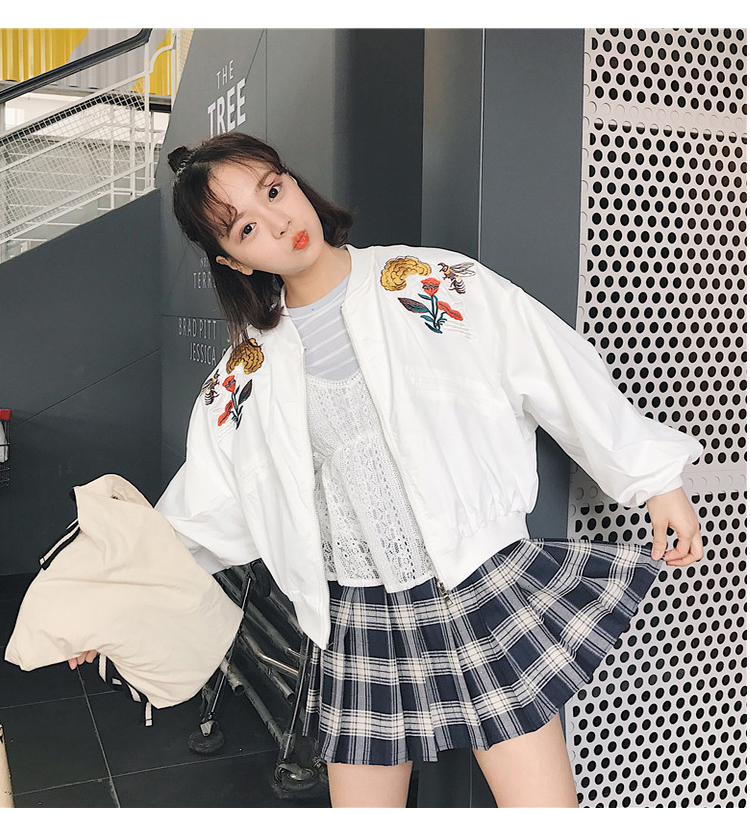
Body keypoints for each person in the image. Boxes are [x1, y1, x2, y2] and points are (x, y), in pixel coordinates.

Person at [74, 131, 704, 808]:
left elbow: (552, 365)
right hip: (358, 610)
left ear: (295, 182)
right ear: (232, 260)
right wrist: (107, 606)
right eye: (247, 227)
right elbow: (203, 505)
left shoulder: (427, 281)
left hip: (476, 580)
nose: (279, 222)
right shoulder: (247, 371)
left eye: (274, 190)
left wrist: (653, 479)